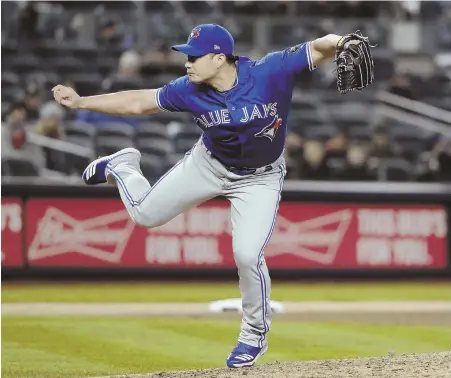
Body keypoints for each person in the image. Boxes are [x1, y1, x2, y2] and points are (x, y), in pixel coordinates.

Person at [53, 24, 352, 368]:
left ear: (219, 58)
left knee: (247, 254)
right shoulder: (188, 89)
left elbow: (319, 47)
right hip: (208, 164)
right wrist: (81, 102)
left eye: (194, 57)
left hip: (259, 179)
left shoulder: (269, 71)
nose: (187, 63)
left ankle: (253, 334)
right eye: (186, 56)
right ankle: (123, 167)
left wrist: (341, 41)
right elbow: (138, 102)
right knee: (145, 215)